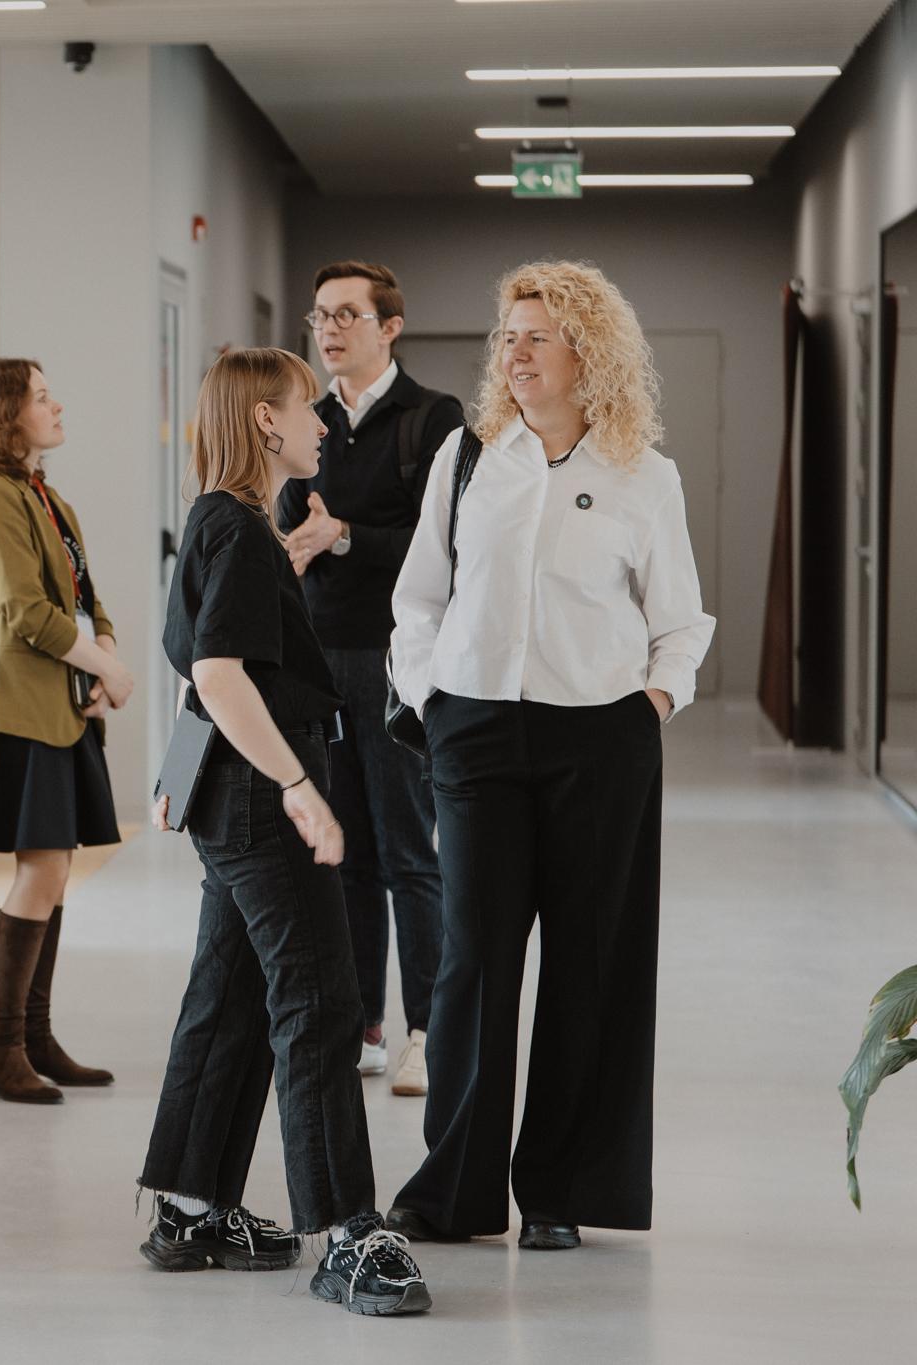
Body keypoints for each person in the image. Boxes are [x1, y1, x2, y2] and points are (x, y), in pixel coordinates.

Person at [384, 261, 714, 1251]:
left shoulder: (643, 475)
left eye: (537, 336)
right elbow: (417, 600)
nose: (514, 353)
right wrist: (431, 699)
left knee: (588, 964)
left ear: (588, 354)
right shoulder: (466, 460)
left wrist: (651, 703)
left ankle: (561, 1189)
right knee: (472, 961)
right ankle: (451, 1192)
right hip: (474, 734)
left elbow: (680, 621)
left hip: (598, 742)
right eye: (509, 336)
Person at [138, 347, 432, 1317]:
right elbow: (217, 673)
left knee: (227, 995)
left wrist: (181, 773)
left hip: (228, 799)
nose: (323, 422)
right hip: (262, 801)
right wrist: (300, 787)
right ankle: (346, 1234)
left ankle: (189, 1209)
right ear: (265, 421)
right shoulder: (237, 530)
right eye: (308, 407)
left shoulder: (220, 520)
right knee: (318, 1003)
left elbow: (198, 668)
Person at [279, 262, 461, 1096]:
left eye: (346, 314)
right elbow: (292, 523)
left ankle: (427, 1029)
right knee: (342, 852)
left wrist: (345, 534)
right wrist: (311, 533)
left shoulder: (433, 419)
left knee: (408, 854)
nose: (328, 329)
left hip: (398, 663)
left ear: (390, 326)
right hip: (320, 661)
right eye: (320, 315)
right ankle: (364, 1023)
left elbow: (442, 548)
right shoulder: (308, 418)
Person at [0, 357, 134, 1105]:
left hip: (61, 706)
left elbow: (86, 600)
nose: (57, 407)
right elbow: (26, 612)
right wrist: (108, 671)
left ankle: (34, 1036)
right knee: (41, 870)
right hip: (20, 708)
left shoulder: (45, 496)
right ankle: (2, 1046)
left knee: (53, 870)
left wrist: (104, 654)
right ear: (4, 415)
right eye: (42, 397)